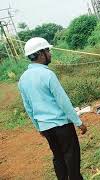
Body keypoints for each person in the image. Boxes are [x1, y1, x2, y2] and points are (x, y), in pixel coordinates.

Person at [18, 37, 87, 180]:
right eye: (48, 50)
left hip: (46, 128)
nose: (50, 53)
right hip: (62, 125)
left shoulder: (23, 79)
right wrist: (78, 122)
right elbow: (63, 101)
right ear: (40, 53)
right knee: (71, 156)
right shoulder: (48, 74)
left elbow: (28, 107)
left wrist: (38, 127)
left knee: (58, 157)